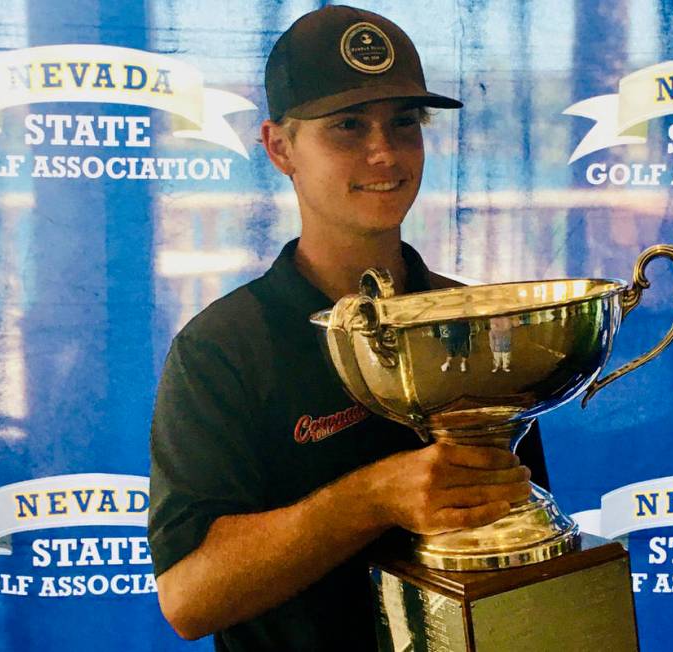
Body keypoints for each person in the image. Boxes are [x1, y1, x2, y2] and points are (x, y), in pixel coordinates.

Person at [148, 6, 550, 651]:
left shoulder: (476, 323)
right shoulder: (222, 348)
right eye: (346, 126)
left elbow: (522, 543)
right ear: (280, 147)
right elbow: (190, 599)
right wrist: (371, 498)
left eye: (404, 123)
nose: (384, 153)